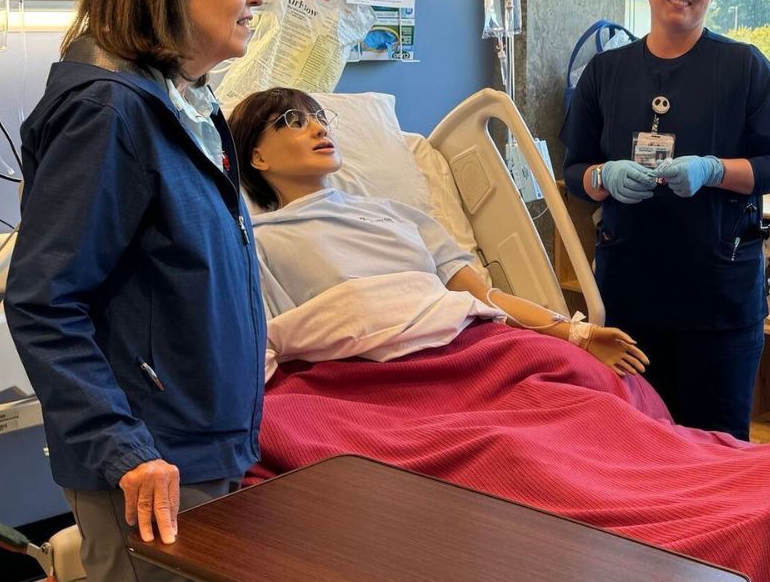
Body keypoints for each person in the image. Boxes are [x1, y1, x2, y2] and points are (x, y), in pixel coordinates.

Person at [4, 0, 267, 582]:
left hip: (200, 442)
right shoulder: (112, 114)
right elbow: (43, 300)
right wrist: (122, 448)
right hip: (152, 463)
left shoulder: (189, 107)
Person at [560, 0, 770, 440]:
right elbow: (575, 172)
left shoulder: (745, 68)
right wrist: (603, 175)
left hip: (717, 297)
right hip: (629, 293)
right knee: (632, 437)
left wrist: (713, 170)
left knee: (714, 445)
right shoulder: (606, 73)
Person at [226, 87, 648, 376]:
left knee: (592, 381)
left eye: (320, 117)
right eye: (293, 120)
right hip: (372, 380)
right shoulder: (256, 243)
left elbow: (483, 298)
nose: (320, 128)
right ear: (257, 157)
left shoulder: (399, 216)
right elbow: (266, 347)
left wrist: (577, 333)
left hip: (467, 347)